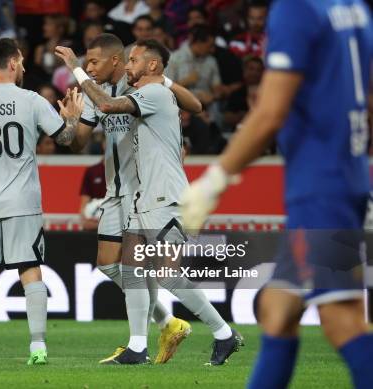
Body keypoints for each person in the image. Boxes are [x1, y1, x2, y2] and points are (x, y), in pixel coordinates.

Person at [180, 1, 373, 388]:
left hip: (320, 186)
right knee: (277, 309)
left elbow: (270, 112)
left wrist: (215, 180)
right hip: (343, 175)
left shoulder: (297, 8)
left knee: (341, 318)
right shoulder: (354, 8)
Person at [57, 38, 242, 365]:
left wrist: (74, 68)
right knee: (128, 269)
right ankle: (141, 345)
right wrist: (71, 120)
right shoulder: (124, 92)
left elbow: (194, 106)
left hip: (159, 193)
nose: (129, 65)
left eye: (132, 60)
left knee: (166, 274)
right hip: (137, 195)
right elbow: (77, 137)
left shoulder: (151, 92)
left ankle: (222, 333)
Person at [0, 37, 82, 367]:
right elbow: (66, 139)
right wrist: (73, 117)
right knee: (29, 269)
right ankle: (37, 346)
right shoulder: (32, 100)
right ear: (11, 63)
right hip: (23, 200)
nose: (23, 66)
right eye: (21, 61)